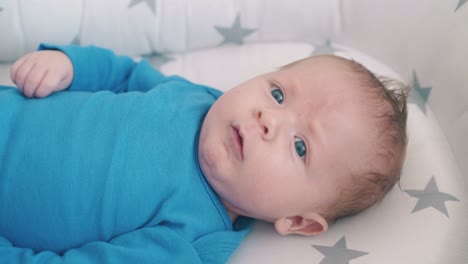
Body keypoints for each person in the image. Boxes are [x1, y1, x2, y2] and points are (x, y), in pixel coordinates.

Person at [0, 43, 408, 263]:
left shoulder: (188, 240)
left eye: (300, 147)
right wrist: (69, 65)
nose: (269, 118)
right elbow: (122, 73)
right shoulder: (196, 98)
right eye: (278, 93)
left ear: (298, 221)